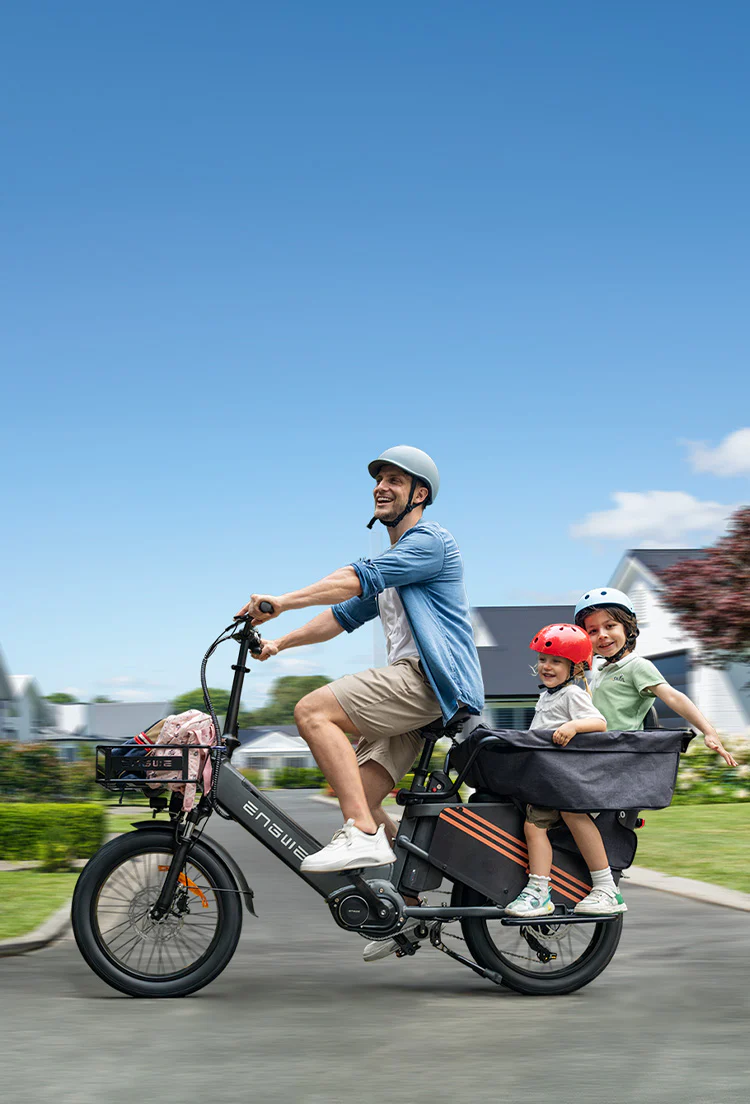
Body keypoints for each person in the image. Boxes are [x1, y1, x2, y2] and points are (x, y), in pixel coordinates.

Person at [235, 446, 484, 931]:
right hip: (414, 697)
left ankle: (363, 834)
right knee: (363, 796)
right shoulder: (396, 565)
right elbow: (341, 615)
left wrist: (281, 601)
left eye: (395, 480)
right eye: (379, 479)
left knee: (312, 711)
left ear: (420, 493)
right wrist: (279, 644)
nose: (381, 487)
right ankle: (405, 905)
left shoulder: (429, 543)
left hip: (430, 682)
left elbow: (353, 579)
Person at [504, 624, 629, 918]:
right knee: (539, 826)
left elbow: (598, 723)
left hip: (565, 779)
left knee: (552, 823)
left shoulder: (571, 694)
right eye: (543, 660)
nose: (547, 667)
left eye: (556, 661)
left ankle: (595, 889)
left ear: (574, 668)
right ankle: (545, 889)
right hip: (548, 778)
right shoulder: (547, 696)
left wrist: (572, 726)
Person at [574, 588, 737, 768]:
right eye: (593, 631)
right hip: (594, 751)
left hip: (618, 755)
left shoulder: (637, 666)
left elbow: (674, 697)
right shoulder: (601, 670)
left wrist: (708, 731)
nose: (602, 634)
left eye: (610, 626)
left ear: (627, 628)